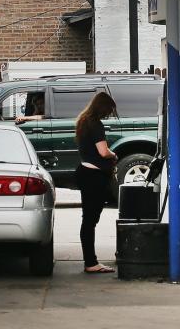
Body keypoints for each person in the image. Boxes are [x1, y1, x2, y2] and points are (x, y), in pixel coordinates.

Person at [74, 91, 118, 274]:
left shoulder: (83, 122)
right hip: (94, 177)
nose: (108, 114)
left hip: (85, 172)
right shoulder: (96, 125)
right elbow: (102, 151)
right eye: (108, 110)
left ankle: (90, 261)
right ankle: (91, 263)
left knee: (88, 219)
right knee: (91, 220)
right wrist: (113, 154)